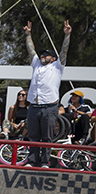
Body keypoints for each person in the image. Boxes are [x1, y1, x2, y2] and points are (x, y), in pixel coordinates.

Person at [24, 20, 71, 167]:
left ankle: (45, 162)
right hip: (34, 106)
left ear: (54, 58)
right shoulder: (37, 64)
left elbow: (64, 51)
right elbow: (31, 50)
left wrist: (67, 35)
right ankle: (31, 161)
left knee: (47, 137)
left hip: (49, 107)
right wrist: (27, 34)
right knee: (33, 136)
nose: (43, 55)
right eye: (43, 54)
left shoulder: (57, 66)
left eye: (47, 54)